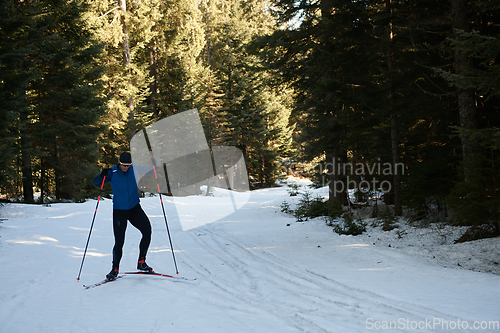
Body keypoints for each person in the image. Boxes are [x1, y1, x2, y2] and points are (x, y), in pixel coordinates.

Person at [93, 151, 153, 280]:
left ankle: (141, 262)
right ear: (119, 162)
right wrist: (101, 175)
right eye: (124, 165)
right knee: (119, 241)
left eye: (128, 165)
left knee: (147, 231)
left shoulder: (134, 168)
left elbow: (151, 170)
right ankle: (114, 269)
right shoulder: (112, 172)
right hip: (120, 211)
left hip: (135, 209)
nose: (126, 167)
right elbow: (97, 182)